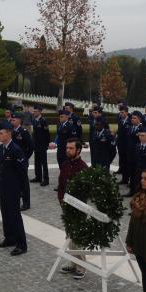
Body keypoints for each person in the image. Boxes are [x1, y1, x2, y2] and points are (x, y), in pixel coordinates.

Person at [57, 138, 89, 279]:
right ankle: (73, 263)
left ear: (78, 150)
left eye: (70, 148)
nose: (68, 150)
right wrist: (61, 201)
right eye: (67, 148)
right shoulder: (64, 165)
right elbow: (61, 185)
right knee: (69, 236)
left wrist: (76, 205)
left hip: (79, 208)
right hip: (66, 207)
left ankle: (82, 266)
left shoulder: (83, 167)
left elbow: (86, 190)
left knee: (78, 238)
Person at [0, 120, 28, 256]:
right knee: (5, 214)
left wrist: (22, 192)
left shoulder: (16, 150)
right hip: (3, 186)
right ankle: (9, 238)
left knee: (15, 216)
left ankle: (21, 244)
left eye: (1, 133)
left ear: (9, 134)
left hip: (13, 188)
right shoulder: (2, 148)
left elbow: (22, 173)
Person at [11, 113, 33, 210]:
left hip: (22, 162)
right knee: (15, 183)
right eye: (12, 120)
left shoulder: (24, 131)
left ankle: (26, 203)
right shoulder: (11, 132)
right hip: (13, 162)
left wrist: (25, 157)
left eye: (14, 119)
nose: (12, 121)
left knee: (24, 183)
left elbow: (31, 146)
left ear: (19, 120)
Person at [31, 105, 50, 186]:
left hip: (42, 145)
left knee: (44, 163)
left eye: (35, 111)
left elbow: (47, 134)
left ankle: (46, 179)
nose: (34, 112)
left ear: (40, 112)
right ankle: (38, 177)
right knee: (37, 162)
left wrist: (46, 145)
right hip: (36, 145)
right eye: (34, 111)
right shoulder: (34, 120)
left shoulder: (43, 121)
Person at [116, 105, 131, 184]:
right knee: (122, 163)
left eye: (122, 112)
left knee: (128, 163)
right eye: (120, 112)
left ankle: (128, 179)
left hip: (128, 146)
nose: (121, 114)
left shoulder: (130, 121)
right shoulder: (120, 120)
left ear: (127, 112)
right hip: (121, 145)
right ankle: (124, 179)